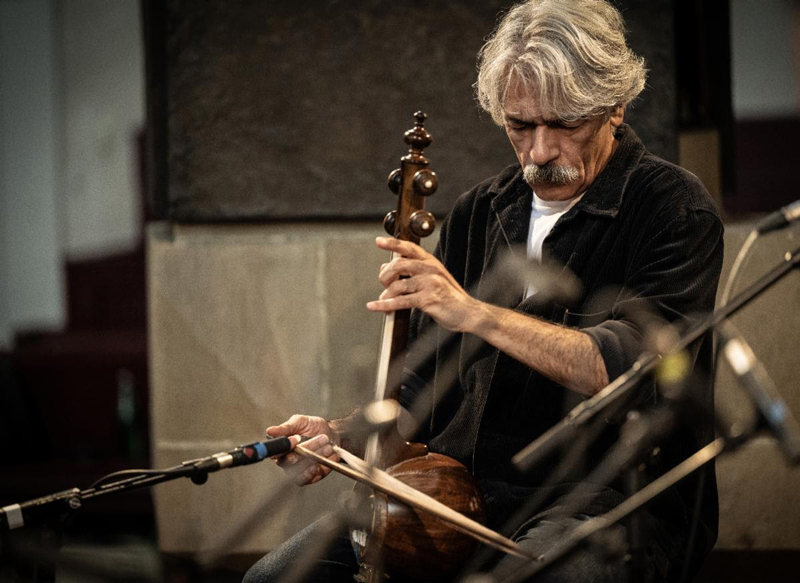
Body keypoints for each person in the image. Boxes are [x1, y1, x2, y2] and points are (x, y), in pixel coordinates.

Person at [244, 0, 723, 581]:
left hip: (605, 503)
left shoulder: (673, 207)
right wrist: (339, 436)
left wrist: (476, 312)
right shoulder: (478, 212)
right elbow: (425, 384)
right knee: (273, 578)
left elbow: (628, 368)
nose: (541, 152)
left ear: (615, 106)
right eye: (520, 126)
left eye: (565, 124)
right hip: (459, 498)